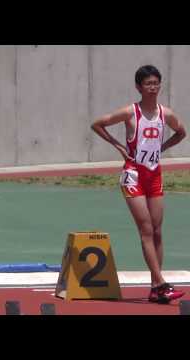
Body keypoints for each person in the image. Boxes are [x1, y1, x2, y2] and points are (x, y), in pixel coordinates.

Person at [91, 65, 187, 304]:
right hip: (133, 175)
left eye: (156, 83)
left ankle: (156, 287)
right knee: (145, 230)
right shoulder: (130, 112)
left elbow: (181, 132)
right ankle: (161, 283)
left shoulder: (166, 113)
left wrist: (162, 148)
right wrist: (118, 146)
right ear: (139, 87)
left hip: (154, 174)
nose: (153, 87)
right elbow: (97, 124)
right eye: (148, 84)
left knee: (157, 231)